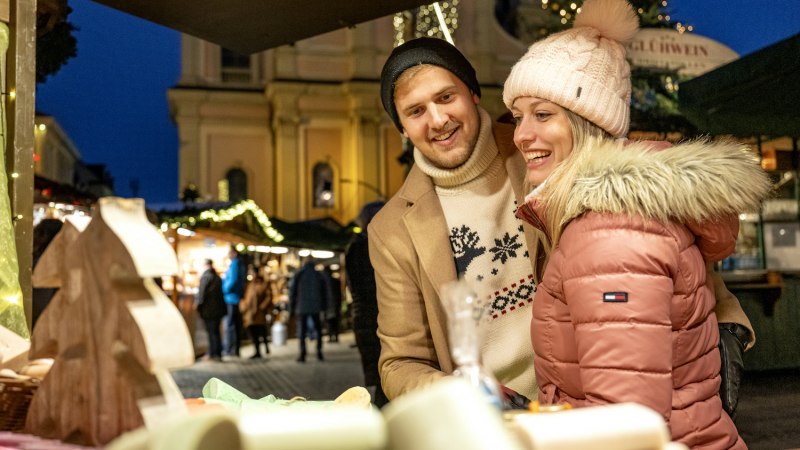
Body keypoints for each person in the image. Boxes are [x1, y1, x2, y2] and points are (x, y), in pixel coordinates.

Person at [370, 35, 756, 409]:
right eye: (416, 111)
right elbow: (400, 362)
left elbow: (657, 231)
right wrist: (461, 394)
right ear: (402, 127)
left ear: (472, 94)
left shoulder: (542, 149)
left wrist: (728, 323)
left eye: (445, 97)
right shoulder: (391, 230)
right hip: (493, 429)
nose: (437, 120)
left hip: (598, 404)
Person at [502, 0, 771, 447]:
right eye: (518, 116)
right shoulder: (614, 219)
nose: (521, 134)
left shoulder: (611, 234)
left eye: (543, 114)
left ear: (589, 123)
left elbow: (625, 426)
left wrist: (518, 425)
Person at [345, 201, 389, 407]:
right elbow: (368, 286)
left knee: (383, 375)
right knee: (384, 374)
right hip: (373, 318)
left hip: (370, 316)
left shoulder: (358, 245)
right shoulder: (363, 247)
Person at [288, 259, 330, 362]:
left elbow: (292, 292)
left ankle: (303, 354)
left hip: (302, 306)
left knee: (302, 331)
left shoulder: (299, 274)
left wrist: (291, 308)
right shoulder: (318, 275)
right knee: (318, 329)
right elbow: (325, 292)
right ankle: (319, 352)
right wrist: (324, 307)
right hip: (316, 306)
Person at [195, 259, 227, 361]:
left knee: (211, 332)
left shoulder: (206, 277)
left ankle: (212, 353)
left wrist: (199, 306)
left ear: (205, 265)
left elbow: (201, 294)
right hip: (218, 309)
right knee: (216, 332)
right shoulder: (217, 276)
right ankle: (218, 353)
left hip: (209, 310)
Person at [241, 268, 271, 359]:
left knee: (261, 330)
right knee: (253, 331)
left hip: (259, 312)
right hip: (250, 312)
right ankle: (257, 351)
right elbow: (247, 298)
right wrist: (244, 306)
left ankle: (265, 347)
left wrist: (263, 307)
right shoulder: (250, 285)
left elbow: (268, 297)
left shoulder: (263, 284)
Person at [222, 246, 246, 357]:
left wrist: (224, 290)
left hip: (231, 298)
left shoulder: (235, 264)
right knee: (235, 325)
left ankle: (230, 348)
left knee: (231, 325)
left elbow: (233, 280)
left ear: (234, 253)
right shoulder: (239, 263)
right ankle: (235, 349)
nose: (228, 255)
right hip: (235, 297)